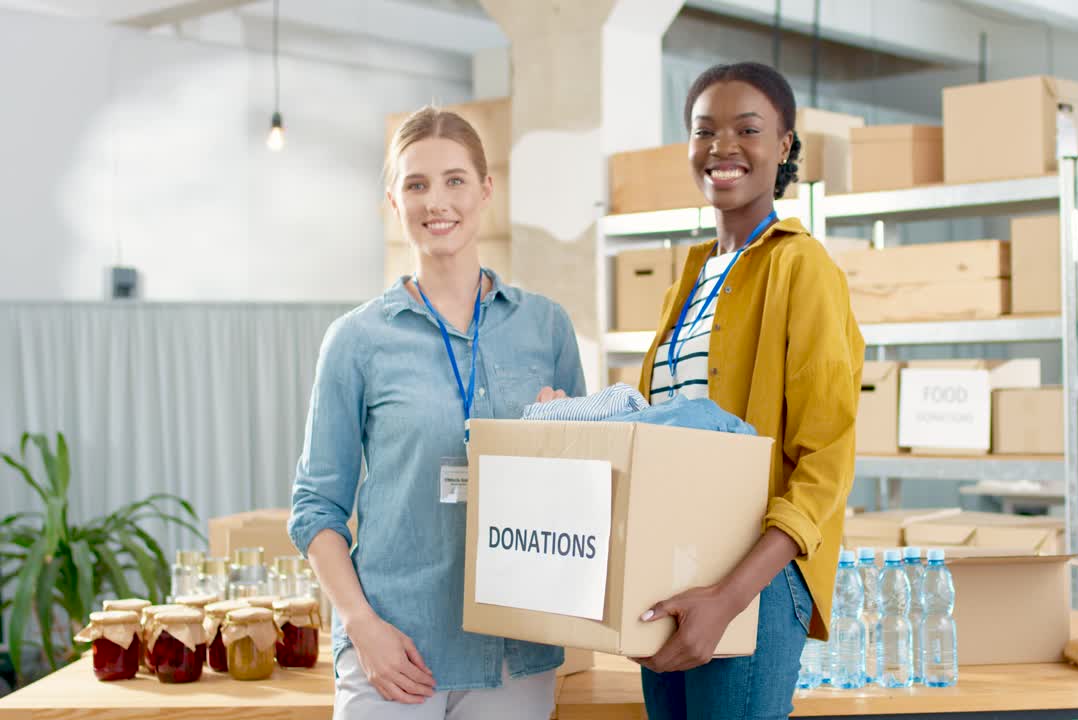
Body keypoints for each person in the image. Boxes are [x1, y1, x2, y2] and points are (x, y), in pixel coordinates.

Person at [288, 106, 586, 720]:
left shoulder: (546, 327)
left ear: (486, 191)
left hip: (516, 653)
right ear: (394, 203)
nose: (436, 201)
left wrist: (568, 440)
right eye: (416, 184)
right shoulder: (357, 340)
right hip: (396, 651)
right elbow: (316, 508)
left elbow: (588, 492)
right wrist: (361, 625)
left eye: (454, 180)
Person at [634, 62, 864, 719]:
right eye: (704, 130)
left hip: (753, 582)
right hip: (678, 569)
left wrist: (729, 596)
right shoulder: (693, 275)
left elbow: (825, 465)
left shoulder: (803, 267)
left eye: (747, 129)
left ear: (785, 146)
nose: (722, 146)